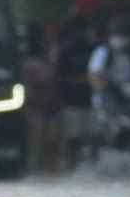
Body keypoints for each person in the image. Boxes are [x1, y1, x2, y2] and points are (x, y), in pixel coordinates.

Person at [54, 12, 99, 166]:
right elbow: (59, 76)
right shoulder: (66, 50)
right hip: (72, 99)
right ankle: (73, 165)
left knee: (94, 136)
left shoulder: (95, 49)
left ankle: (93, 164)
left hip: (91, 99)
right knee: (74, 137)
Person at [20, 18, 60, 174]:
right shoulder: (30, 62)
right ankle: (36, 169)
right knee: (38, 140)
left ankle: (48, 169)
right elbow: (28, 86)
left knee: (51, 139)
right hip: (35, 107)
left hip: (50, 104)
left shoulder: (50, 55)